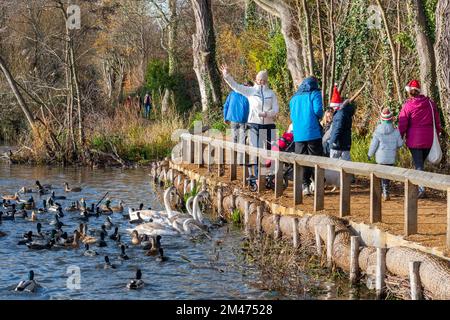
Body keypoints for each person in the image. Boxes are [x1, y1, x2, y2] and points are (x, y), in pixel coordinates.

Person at [220, 65, 279, 179]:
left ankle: (271, 173)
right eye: (259, 80)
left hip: (268, 124)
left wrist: (267, 114)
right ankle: (257, 175)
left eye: (263, 80)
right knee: (256, 150)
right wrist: (226, 75)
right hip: (254, 124)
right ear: (256, 80)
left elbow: (276, 109)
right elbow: (236, 86)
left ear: (266, 81)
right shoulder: (251, 91)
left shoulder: (271, 93)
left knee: (270, 149)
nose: (261, 82)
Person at [398, 79, 441, 198]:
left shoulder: (408, 106)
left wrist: (399, 138)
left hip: (414, 140)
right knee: (421, 164)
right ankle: (422, 186)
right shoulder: (430, 104)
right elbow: (437, 122)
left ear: (409, 92)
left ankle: (421, 189)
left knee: (419, 165)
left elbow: (402, 124)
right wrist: (436, 136)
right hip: (429, 139)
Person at [289, 76, 323, 195]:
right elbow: (318, 111)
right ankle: (317, 185)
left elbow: (291, 116)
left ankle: (305, 186)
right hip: (312, 132)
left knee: (302, 160)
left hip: (298, 134)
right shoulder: (314, 94)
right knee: (315, 160)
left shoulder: (294, 98)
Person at [368, 108, 403, 201]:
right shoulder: (396, 131)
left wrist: (369, 154)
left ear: (381, 119)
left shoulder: (377, 132)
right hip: (391, 158)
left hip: (380, 158)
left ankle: (382, 191)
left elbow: (373, 145)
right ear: (391, 119)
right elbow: (400, 144)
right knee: (387, 175)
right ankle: (386, 191)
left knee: (381, 174)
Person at [223, 81, 252, 164]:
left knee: (234, 138)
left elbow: (226, 105)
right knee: (242, 140)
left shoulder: (232, 93)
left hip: (233, 119)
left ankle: (233, 159)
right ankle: (240, 161)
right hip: (243, 120)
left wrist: (225, 117)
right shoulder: (249, 95)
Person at [328, 84, 355, 161]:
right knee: (345, 165)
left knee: (333, 166)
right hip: (345, 143)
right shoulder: (345, 113)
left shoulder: (339, 114)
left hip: (338, 144)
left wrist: (332, 142)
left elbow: (338, 128)